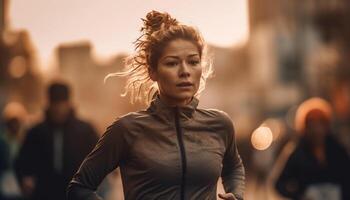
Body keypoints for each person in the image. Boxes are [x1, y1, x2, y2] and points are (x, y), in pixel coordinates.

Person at [67, 10, 245, 200]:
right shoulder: (127, 129)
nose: (185, 71)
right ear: (153, 71)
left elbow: (234, 166)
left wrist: (235, 194)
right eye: (172, 63)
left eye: (193, 62)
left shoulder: (220, 124)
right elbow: (80, 188)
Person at [14, 82, 99, 200]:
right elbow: (22, 161)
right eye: (55, 104)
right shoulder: (35, 132)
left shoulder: (85, 131)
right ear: (49, 104)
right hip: (43, 193)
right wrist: (25, 178)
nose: (58, 108)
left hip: (77, 192)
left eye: (61, 103)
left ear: (68, 104)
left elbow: (98, 160)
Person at [275, 97, 350, 200]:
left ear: (327, 125)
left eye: (320, 123)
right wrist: (300, 195)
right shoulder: (297, 153)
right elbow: (279, 184)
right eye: (312, 123)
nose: (317, 129)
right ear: (305, 126)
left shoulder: (338, 150)